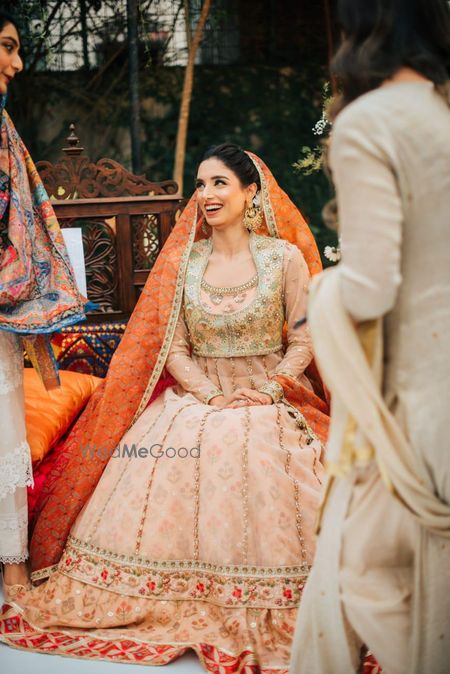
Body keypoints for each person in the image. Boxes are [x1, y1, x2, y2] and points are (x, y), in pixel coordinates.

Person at [0, 143, 329, 672]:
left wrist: (270, 388)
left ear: (251, 192)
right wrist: (210, 394)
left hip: (268, 391)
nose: (208, 195)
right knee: (195, 442)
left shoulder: (282, 258)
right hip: (199, 394)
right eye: (201, 184)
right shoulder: (184, 262)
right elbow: (172, 346)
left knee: (257, 451)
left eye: (220, 183)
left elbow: (305, 336)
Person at [290, 1, 450, 673]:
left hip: (410, 397)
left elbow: (372, 288)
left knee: (366, 579)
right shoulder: (442, 115)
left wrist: (317, 299)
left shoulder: (368, 124)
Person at [0, 11, 86, 591]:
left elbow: (19, 220)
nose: (18, 63)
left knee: (4, 427)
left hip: (2, 303)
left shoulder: (3, 128)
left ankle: (11, 564)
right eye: (6, 47)